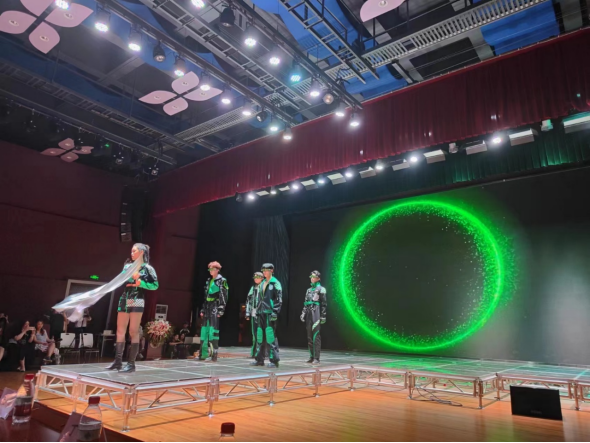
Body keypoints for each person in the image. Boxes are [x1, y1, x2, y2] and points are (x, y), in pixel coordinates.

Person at [106, 243, 159, 374]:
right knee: (120, 330)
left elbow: (155, 285)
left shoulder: (148, 268)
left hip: (137, 299)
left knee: (133, 331)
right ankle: (118, 361)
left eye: (134, 251)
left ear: (141, 252)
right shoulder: (127, 266)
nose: (131, 253)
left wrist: (141, 282)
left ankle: (131, 364)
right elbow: (122, 279)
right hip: (124, 298)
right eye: (131, 251)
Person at [251, 264, 282, 369]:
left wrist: (275, 312)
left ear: (271, 270)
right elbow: (259, 299)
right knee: (259, 336)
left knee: (270, 336)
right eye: (263, 270)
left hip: (269, 313)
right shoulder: (262, 283)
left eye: (266, 270)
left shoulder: (275, 283)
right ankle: (259, 359)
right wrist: (257, 311)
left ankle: (274, 360)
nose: (264, 272)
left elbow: (278, 299)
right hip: (261, 313)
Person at [198, 262, 228, 363]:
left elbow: (224, 296)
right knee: (204, 331)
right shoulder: (209, 281)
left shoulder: (222, 281)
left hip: (215, 307)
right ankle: (203, 354)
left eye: (212, 269)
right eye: (209, 269)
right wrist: (203, 309)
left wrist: (221, 309)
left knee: (212, 332)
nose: (211, 271)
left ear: (217, 270)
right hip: (207, 307)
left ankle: (213, 355)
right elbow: (205, 297)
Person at [301, 271, 327, 365]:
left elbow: (324, 303)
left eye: (314, 276)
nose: (312, 278)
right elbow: (305, 302)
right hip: (309, 312)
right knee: (309, 336)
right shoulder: (308, 290)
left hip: (316, 312)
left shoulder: (321, 289)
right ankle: (311, 356)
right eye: (311, 276)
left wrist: (323, 316)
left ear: (318, 278)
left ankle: (316, 358)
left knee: (316, 335)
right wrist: (303, 313)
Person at [245, 272, 264, 359]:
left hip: (262, 314)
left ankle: (261, 353)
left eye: (257, 277)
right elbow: (248, 301)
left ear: (262, 278)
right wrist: (247, 312)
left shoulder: (264, 287)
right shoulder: (253, 288)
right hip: (253, 313)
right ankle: (254, 352)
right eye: (255, 277)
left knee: (260, 334)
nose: (255, 279)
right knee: (254, 334)